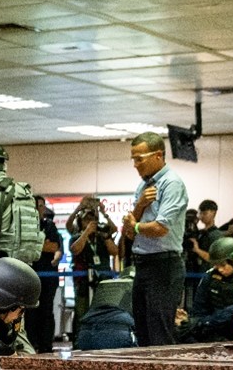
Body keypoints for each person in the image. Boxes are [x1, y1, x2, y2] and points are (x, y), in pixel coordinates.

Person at [121, 132, 189, 346]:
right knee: (142, 330)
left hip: (164, 265)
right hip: (143, 264)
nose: (135, 165)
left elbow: (161, 228)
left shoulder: (172, 184)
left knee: (160, 331)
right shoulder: (143, 187)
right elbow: (129, 233)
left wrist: (135, 225)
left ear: (158, 155)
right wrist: (140, 206)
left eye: (139, 159)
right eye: (133, 159)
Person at [179, 237, 233, 342]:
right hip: (214, 329)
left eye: (223, 265)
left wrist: (205, 322)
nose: (220, 269)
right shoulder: (210, 278)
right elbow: (199, 310)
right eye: (216, 265)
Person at [69, 198, 118, 339]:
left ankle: (102, 338)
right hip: (84, 281)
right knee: (82, 312)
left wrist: (105, 231)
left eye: (92, 220)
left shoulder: (102, 237)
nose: (90, 223)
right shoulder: (78, 237)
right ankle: (80, 340)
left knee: (104, 310)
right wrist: (86, 232)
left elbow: (114, 252)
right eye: (86, 220)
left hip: (103, 279)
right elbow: (75, 249)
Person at [24, 195, 62, 353]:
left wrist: (35, 245)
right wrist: (41, 245)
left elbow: (53, 247)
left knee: (47, 311)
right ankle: (32, 344)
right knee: (30, 312)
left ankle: (46, 344)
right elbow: (25, 247)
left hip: (48, 277)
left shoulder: (49, 225)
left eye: (41, 206)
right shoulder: (25, 227)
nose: (40, 210)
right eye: (38, 206)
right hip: (30, 276)